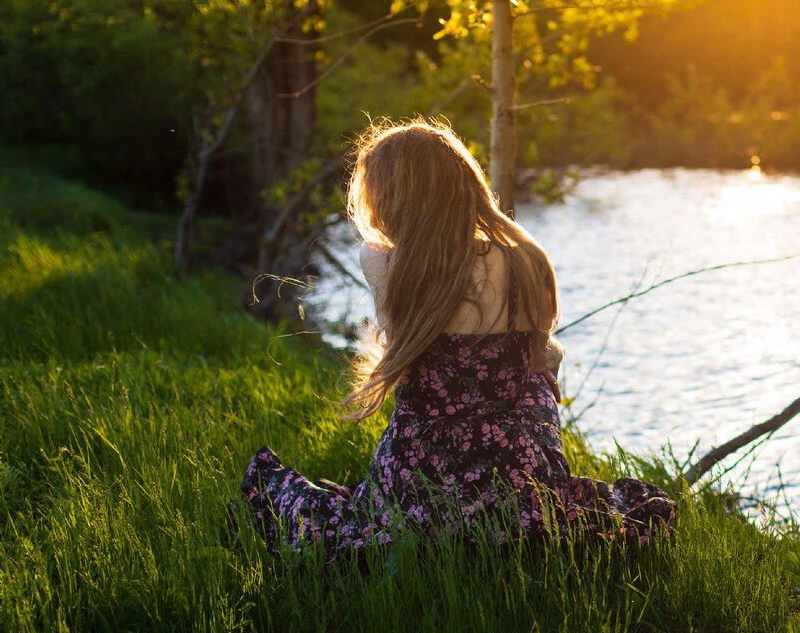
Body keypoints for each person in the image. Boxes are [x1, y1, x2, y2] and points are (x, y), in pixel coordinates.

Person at [239, 119, 676, 559]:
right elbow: (543, 358)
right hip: (518, 476)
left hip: (423, 476)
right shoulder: (527, 256)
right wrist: (545, 357)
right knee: (536, 376)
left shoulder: (384, 261)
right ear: (463, 182)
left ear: (393, 196)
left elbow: (405, 361)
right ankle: (519, 502)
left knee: (324, 513)